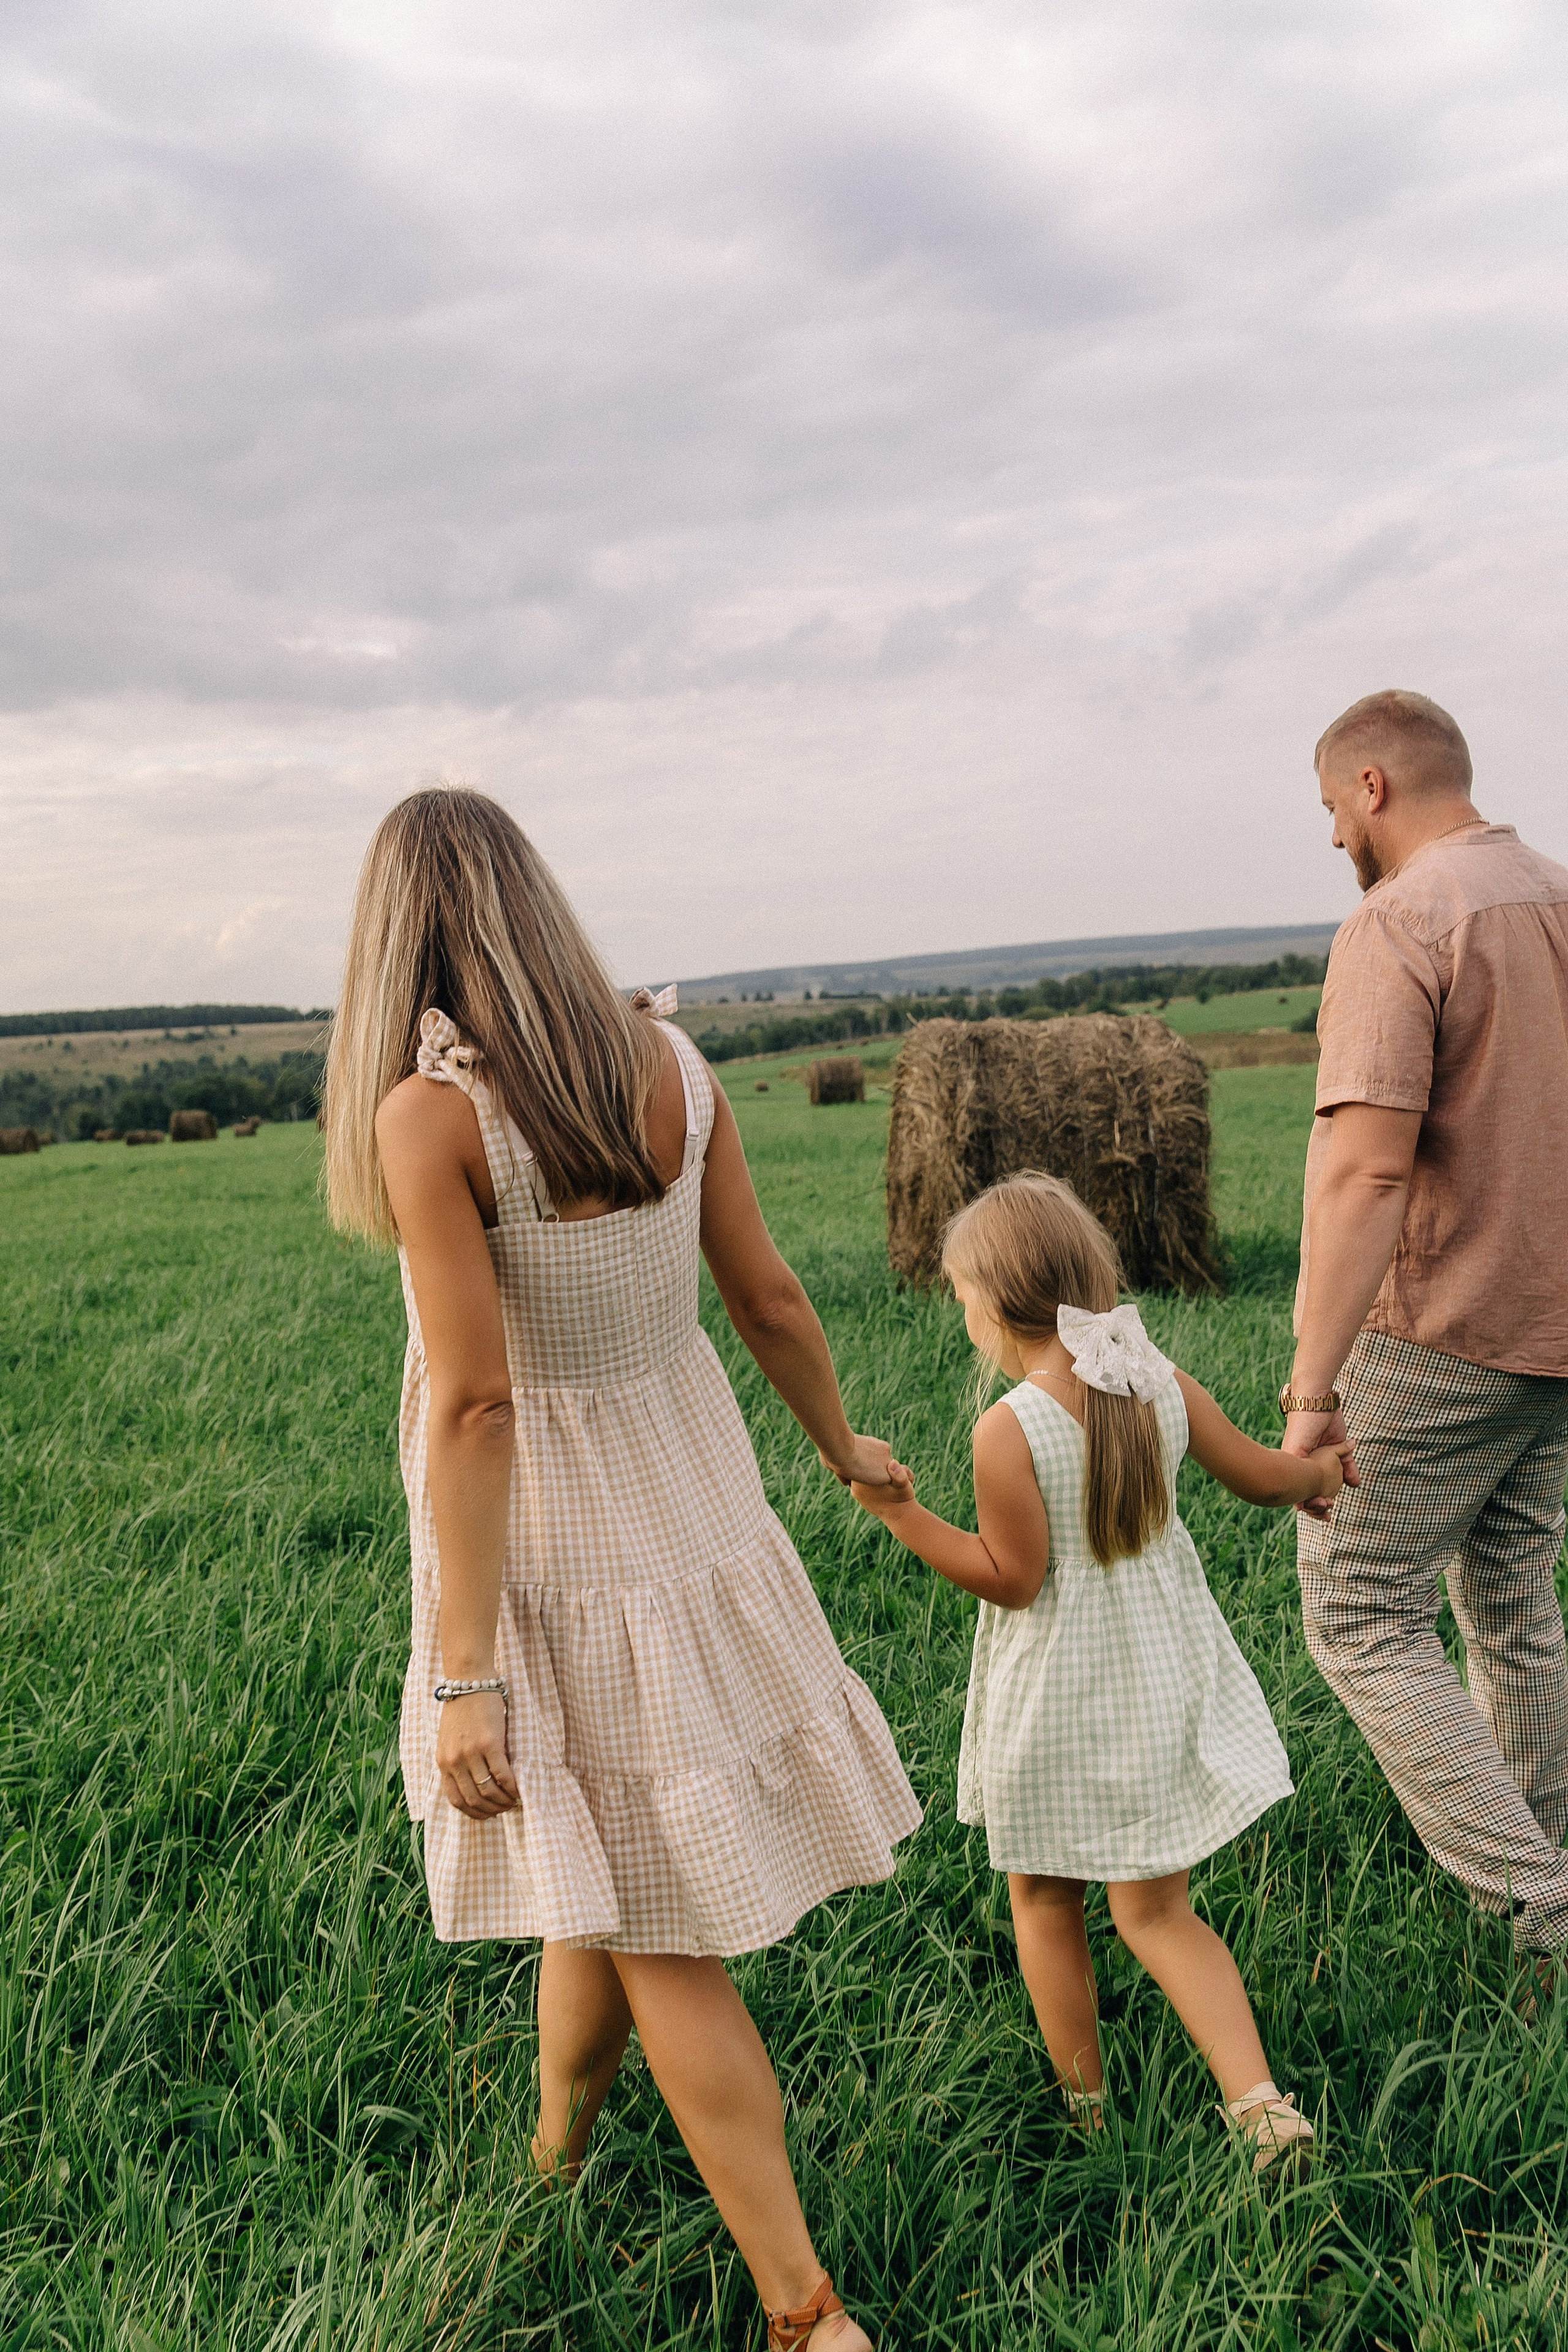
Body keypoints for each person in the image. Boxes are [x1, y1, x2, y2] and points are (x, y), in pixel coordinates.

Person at [322, 787, 920, 2352]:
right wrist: (839, 1444)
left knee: (660, 1927)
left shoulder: (429, 1117)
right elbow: (770, 1297)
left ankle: (806, 2314)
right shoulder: (669, 1063)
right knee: (593, 1863)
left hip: (555, 1552)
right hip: (692, 1506)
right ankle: (556, 2155)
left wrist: (465, 1671)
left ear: (397, 937)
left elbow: (472, 1401)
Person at [850, 1172, 1346, 2171]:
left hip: (1058, 1702)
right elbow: (1263, 1477)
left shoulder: (1009, 1428)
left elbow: (1012, 1580)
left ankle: (1089, 2116)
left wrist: (901, 1514)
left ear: (993, 1305)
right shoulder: (1157, 1381)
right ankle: (1261, 2107)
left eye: (960, 1299)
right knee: (1160, 1913)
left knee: (1045, 1901)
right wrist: (1323, 1474)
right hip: (1160, 1679)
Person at [1282, 689, 1568, 1961]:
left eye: (1330, 806)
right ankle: (1543, 1872)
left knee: (1355, 1611)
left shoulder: (1397, 920)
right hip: (1557, 1331)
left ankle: (1537, 1906)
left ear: (1373, 788)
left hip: (1442, 1328)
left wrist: (1307, 1392)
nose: (1332, 833)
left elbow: (1365, 1172)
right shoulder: (1557, 893)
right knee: (1509, 1598)